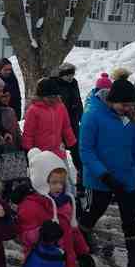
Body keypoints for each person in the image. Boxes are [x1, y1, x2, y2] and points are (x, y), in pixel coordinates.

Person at [78, 79, 135, 267]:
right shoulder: (92, 116)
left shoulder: (129, 119)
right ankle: (80, 239)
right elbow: (86, 151)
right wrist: (105, 176)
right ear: (112, 101)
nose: (128, 109)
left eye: (132, 105)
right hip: (99, 179)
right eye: (124, 105)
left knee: (131, 219)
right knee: (93, 211)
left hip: (127, 177)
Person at [22, 78, 77, 163]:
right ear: (41, 96)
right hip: (41, 155)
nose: (53, 99)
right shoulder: (33, 110)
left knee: (65, 175)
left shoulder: (61, 107)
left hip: (58, 152)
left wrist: (73, 145)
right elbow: (28, 134)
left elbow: (66, 128)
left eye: (55, 96)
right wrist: (28, 152)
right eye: (49, 97)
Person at [53, 63, 84, 195]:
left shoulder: (74, 83)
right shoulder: (55, 84)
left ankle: (81, 182)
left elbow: (78, 100)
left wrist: (81, 115)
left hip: (73, 123)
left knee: (77, 153)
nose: (70, 77)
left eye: (72, 74)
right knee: (59, 154)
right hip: (60, 124)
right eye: (68, 75)